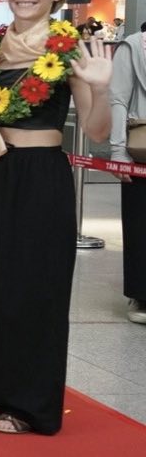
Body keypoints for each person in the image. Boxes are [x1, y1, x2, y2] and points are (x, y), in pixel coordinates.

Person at [0, 0, 112, 435]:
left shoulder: (69, 50)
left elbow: (97, 131)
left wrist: (101, 90)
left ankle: (29, 405)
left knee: (34, 287)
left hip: (41, 176)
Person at [109, 22, 146, 325]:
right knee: (140, 221)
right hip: (142, 146)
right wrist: (118, 150)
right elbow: (118, 98)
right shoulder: (134, 45)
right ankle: (141, 292)